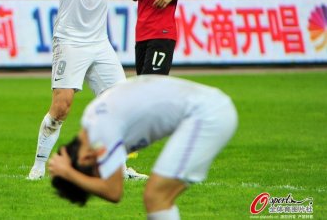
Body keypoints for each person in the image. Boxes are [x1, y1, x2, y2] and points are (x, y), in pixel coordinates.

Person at [27, 0, 150, 180]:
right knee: (61, 107)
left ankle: (120, 167)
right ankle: (38, 166)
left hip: (99, 43)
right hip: (70, 42)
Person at [48, 75, 238, 219]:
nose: (102, 172)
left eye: (95, 173)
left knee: (156, 196)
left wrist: (68, 172)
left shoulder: (100, 128)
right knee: (159, 198)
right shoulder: (93, 121)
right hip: (209, 106)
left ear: (84, 159)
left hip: (206, 115)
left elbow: (113, 192)